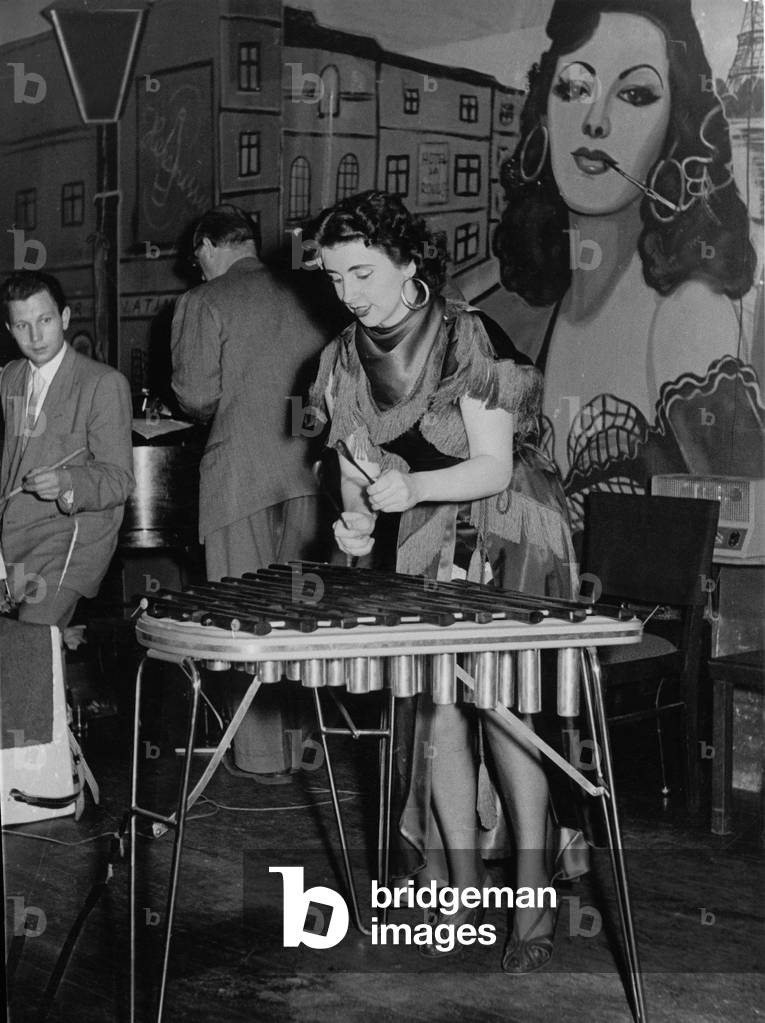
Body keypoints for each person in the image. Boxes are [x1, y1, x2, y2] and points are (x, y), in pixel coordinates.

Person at [307, 190, 578, 972]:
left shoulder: (468, 337)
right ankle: (460, 885)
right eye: (334, 278)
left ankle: (531, 895)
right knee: (440, 711)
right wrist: (354, 519)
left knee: (500, 709)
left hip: (511, 521)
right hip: (428, 533)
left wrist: (412, 490)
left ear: (406, 262)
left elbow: (492, 465)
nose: (349, 294)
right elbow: (355, 467)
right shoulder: (341, 358)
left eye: (362, 273)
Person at [490, 0, 759, 531]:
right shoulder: (542, 305)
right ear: (544, 111)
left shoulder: (687, 314)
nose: (595, 120)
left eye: (635, 95)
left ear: (675, 127)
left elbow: (745, 516)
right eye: (573, 88)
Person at [171, 203, 330, 783]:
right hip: (310, 473)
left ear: (209, 246)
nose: (198, 268)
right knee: (298, 617)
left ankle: (262, 759)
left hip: (239, 476)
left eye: (197, 258)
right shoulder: (309, 292)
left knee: (245, 619)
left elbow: (195, 395)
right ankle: (301, 748)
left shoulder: (202, 302)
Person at [0, 270, 133, 627]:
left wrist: (65, 482)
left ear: (65, 318)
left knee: (32, 644)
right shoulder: (10, 378)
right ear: (10, 330)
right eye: (22, 325)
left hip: (70, 541)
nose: (35, 335)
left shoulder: (103, 384)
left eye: (44, 320)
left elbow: (120, 480)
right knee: (25, 662)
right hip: (16, 541)